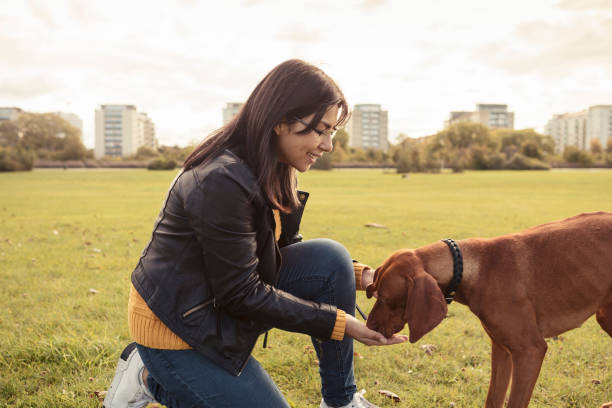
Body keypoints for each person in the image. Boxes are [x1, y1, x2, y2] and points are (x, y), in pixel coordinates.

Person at [103, 59, 408, 408]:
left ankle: (340, 402)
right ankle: (147, 376)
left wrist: (366, 276)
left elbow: (282, 252)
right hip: (179, 328)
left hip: (220, 302)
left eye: (331, 133)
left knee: (332, 259)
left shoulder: (276, 167)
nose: (328, 146)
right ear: (280, 120)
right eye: (320, 130)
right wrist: (342, 324)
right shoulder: (221, 180)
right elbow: (241, 293)